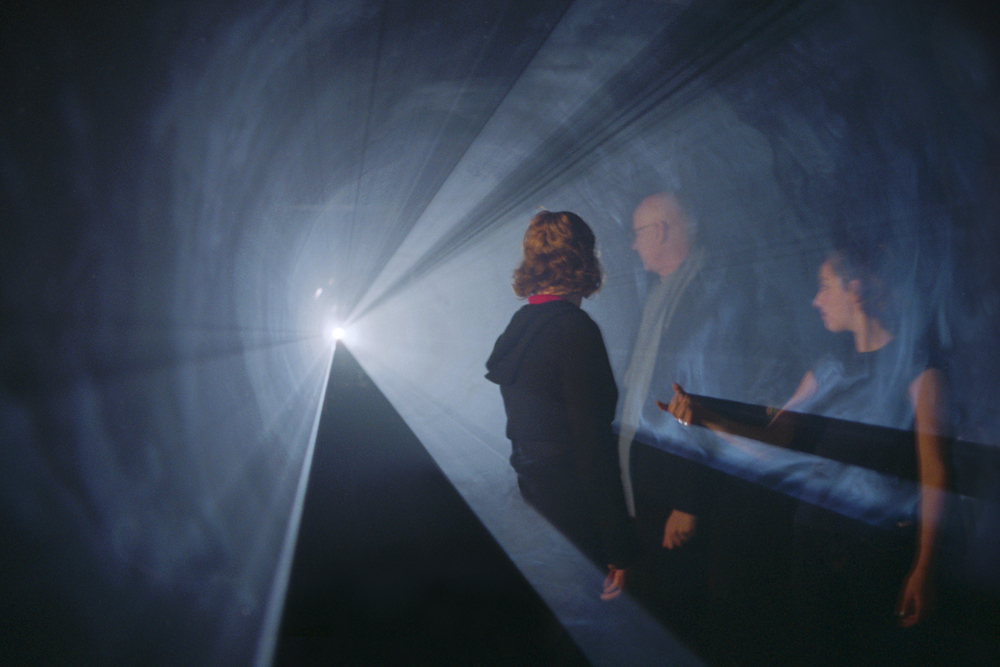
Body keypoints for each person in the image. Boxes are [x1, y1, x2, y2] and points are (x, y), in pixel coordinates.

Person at [662, 242, 949, 666]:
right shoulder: (827, 369)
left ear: (856, 290)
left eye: (824, 286)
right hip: (813, 545)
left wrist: (925, 567)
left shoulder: (919, 372)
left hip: (878, 554)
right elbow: (771, 444)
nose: (814, 300)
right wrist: (705, 419)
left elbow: (934, 476)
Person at [620, 192, 796, 660]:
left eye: (637, 234)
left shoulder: (709, 290)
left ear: (660, 232)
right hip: (659, 475)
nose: (633, 246)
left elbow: (703, 396)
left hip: (682, 486)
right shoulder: (666, 290)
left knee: (683, 611)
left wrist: (689, 499)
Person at [485, 210, 638, 600]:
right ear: (584, 260)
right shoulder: (574, 331)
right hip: (573, 518)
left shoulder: (520, 324)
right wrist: (619, 547)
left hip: (527, 508)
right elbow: (592, 451)